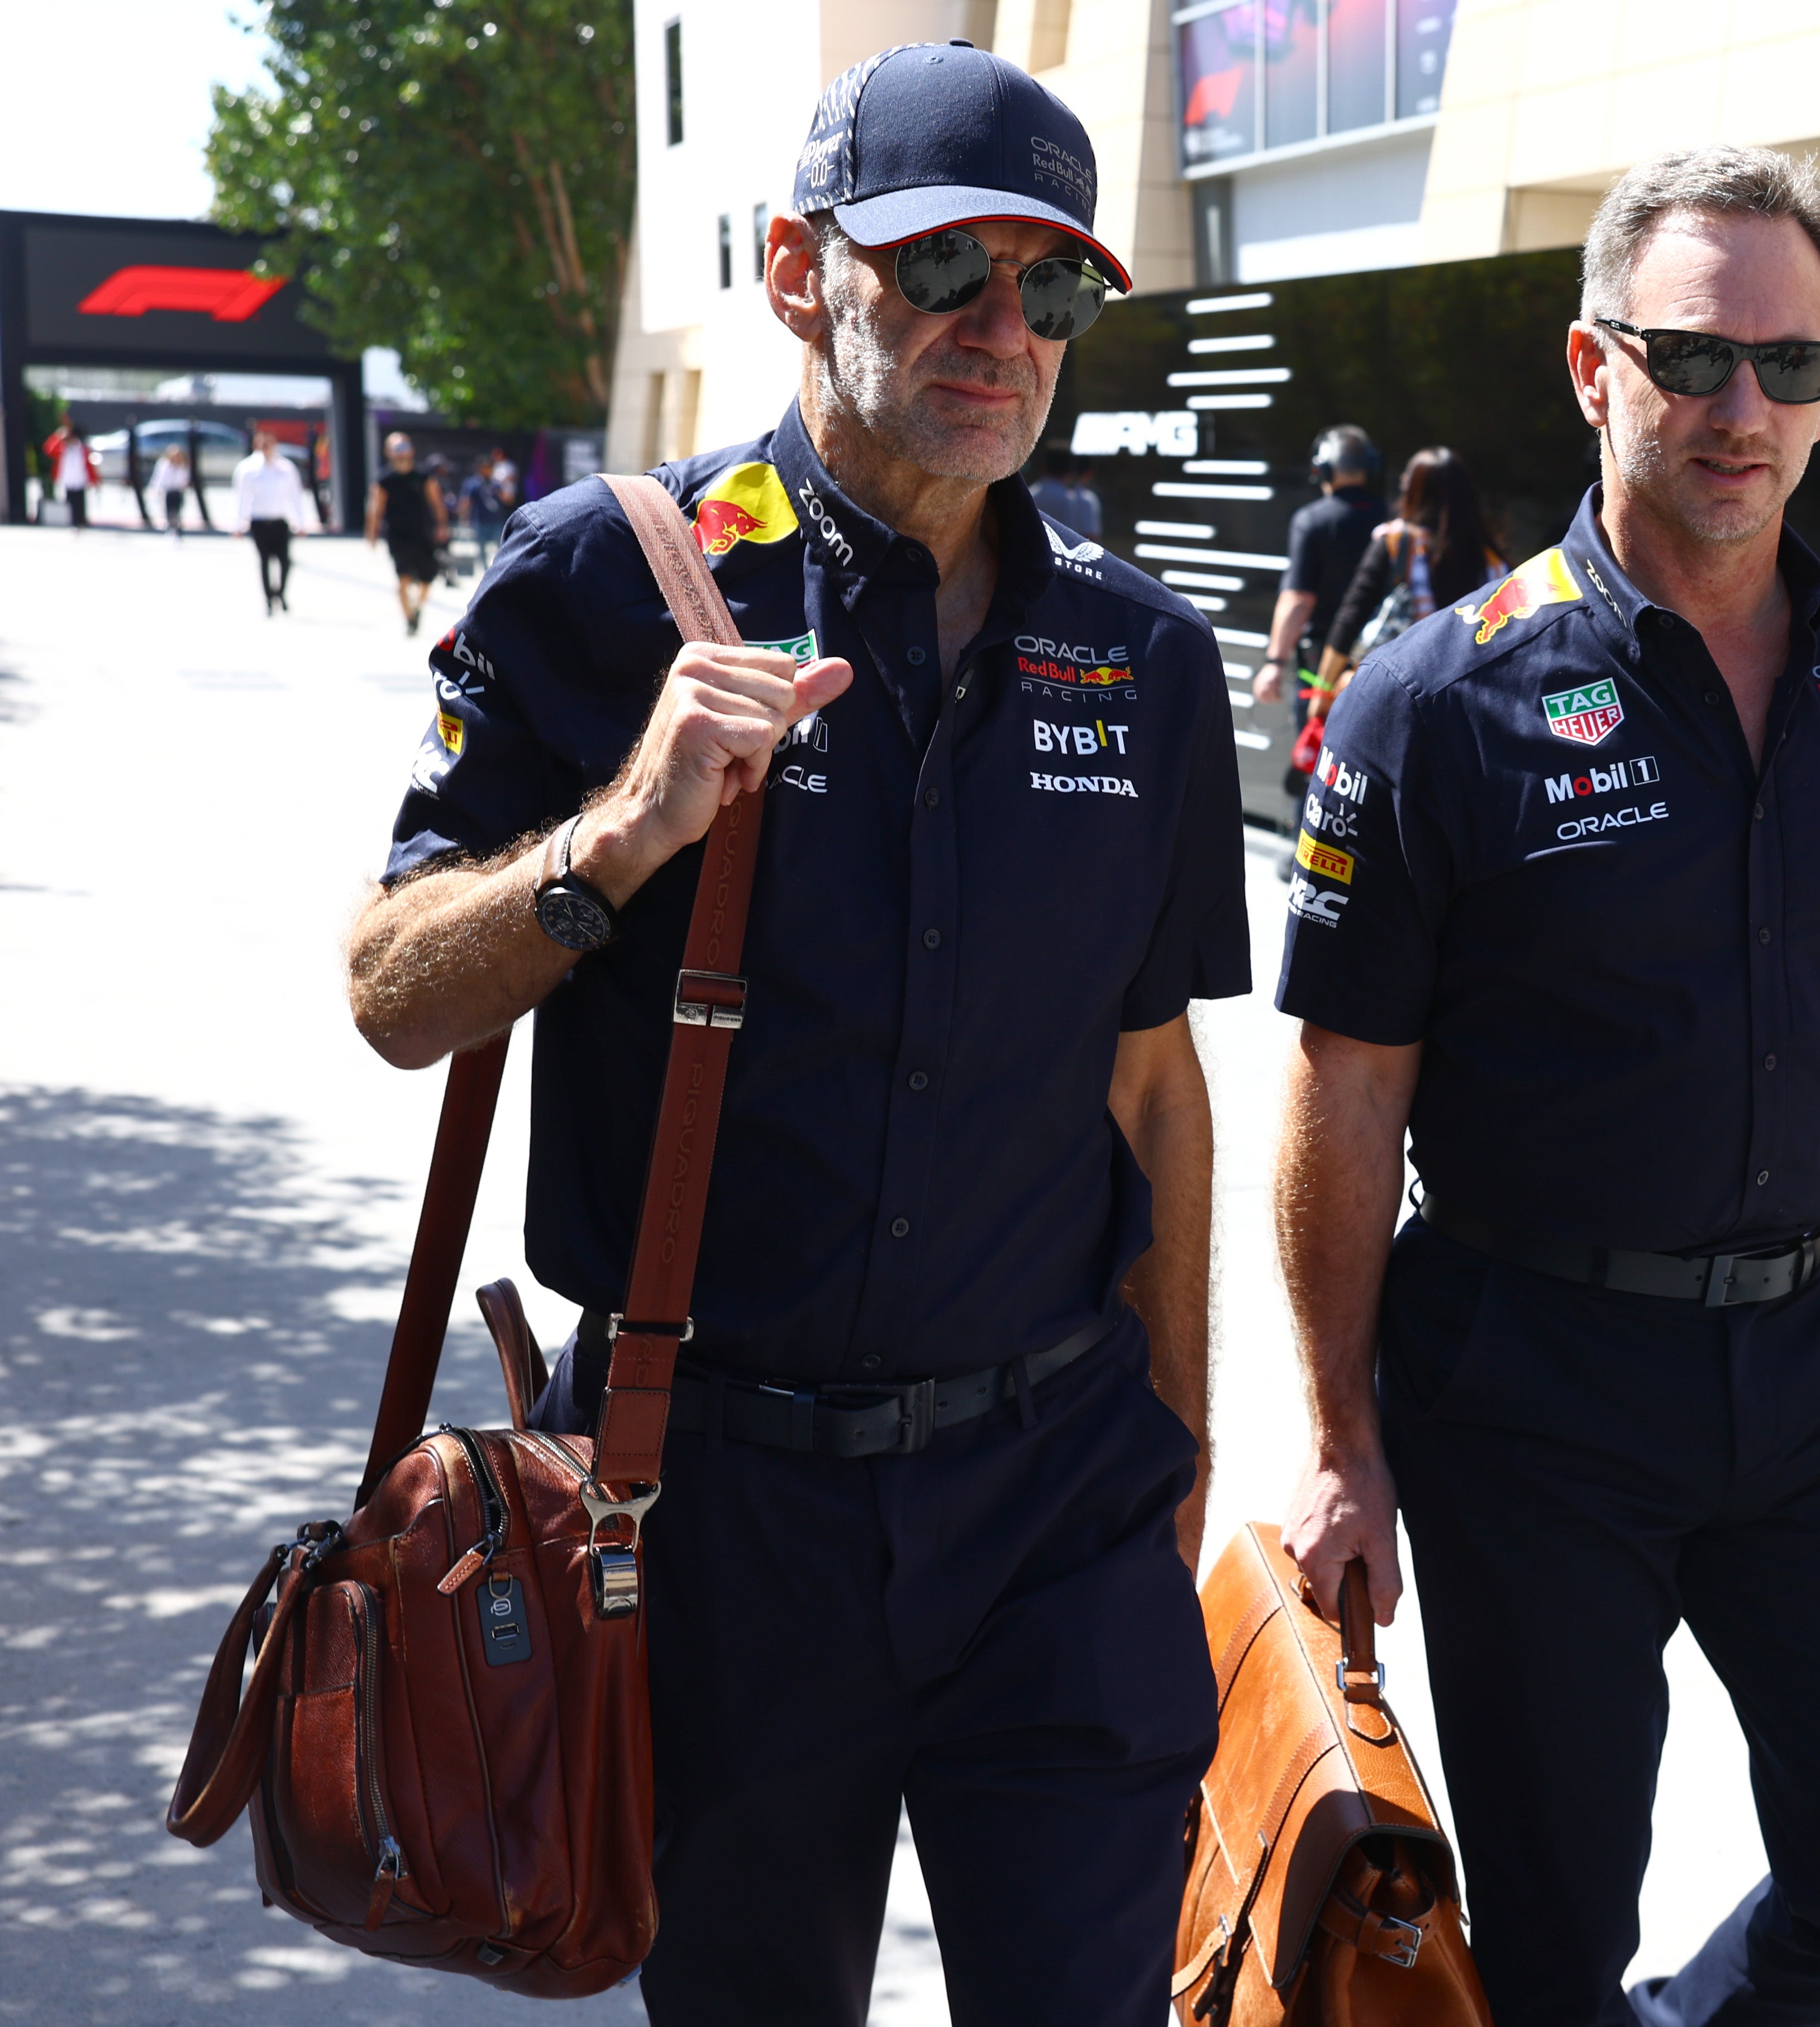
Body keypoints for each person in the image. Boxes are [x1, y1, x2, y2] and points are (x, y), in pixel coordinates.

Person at [341, 42, 1244, 2025]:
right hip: (716, 1521)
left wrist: (1180, 1442)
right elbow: (389, 987)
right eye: (943, 271)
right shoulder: (604, 580)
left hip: (1057, 1507)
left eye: (1054, 287)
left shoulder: (1143, 654)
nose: (1003, 332)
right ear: (792, 270)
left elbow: (1152, 1083)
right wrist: (614, 838)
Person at [1271, 146, 1820, 2027]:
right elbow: (1344, 1091)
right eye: (1698, 358)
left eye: (1793, 368)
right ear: (1590, 365)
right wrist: (1338, 1433)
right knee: (1546, 1938)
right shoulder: (1434, 699)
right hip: (1525, 1388)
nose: (1744, 411)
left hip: (1809, 1366)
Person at [1251, 424, 1385, 830]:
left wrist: (1275, 660)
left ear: (1322, 470)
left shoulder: (1312, 521)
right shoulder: (1392, 517)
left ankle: (1306, 853)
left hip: (1322, 673)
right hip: (1382, 664)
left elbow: (1298, 599)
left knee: (1317, 757)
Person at [1305, 444, 1501, 718]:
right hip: (1471, 700)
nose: (1401, 483)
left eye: (1407, 478)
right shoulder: (1492, 557)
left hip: (1403, 695)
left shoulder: (1396, 542)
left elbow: (1352, 613)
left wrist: (1324, 688)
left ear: (1417, 489)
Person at [366, 431, 446, 634]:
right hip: (398, 536)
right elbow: (376, 508)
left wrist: (442, 526)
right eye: (396, 447)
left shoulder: (423, 476)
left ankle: (417, 608)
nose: (401, 451)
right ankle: (409, 619)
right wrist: (372, 534)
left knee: (427, 579)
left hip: (423, 535)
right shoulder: (384, 479)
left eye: (403, 446)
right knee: (403, 579)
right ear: (388, 452)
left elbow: (437, 503)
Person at [232, 426, 314, 614]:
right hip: (259, 522)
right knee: (264, 561)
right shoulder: (248, 468)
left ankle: (281, 594)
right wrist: (238, 525)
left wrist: (300, 523)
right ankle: (268, 599)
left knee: (285, 561)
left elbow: (296, 497)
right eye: (263, 442)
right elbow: (241, 498)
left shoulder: (286, 468)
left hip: (280, 521)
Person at [1029, 446, 1102, 540]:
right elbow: (1091, 537)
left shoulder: (1030, 494)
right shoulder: (1076, 498)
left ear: (1043, 468)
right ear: (1070, 472)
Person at [46, 421, 96, 532]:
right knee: (70, 502)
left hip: (80, 480)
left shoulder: (82, 449)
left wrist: (94, 479)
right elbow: (49, 450)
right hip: (68, 480)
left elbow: (89, 465)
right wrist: (58, 436)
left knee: (81, 501)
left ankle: (82, 521)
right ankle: (73, 522)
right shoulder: (63, 449)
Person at [153, 441, 196, 538]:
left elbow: (186, 479)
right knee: (169, 510)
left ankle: (177, 528)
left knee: (178, 510)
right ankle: (170, 527)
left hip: (178, 491)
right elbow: (159, 478)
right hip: (168, 491)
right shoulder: (165, 465)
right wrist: (156, 489)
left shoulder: (183, 466)